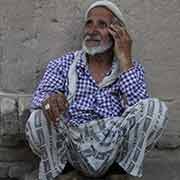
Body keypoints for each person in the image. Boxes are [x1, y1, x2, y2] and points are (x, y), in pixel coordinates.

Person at [25, 1, 168, 180]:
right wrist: (50, 101)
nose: (92, 30)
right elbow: (40, 99)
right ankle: (66, 172)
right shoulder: (63, 64)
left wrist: (125, 58)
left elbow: (139, 110)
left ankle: (117, 172)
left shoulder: (130, 68)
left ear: (117, 32)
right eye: (89, 23)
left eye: (102, 25)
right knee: (38, 117)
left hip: (114, 146)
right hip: (72, 144)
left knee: (155, 109)